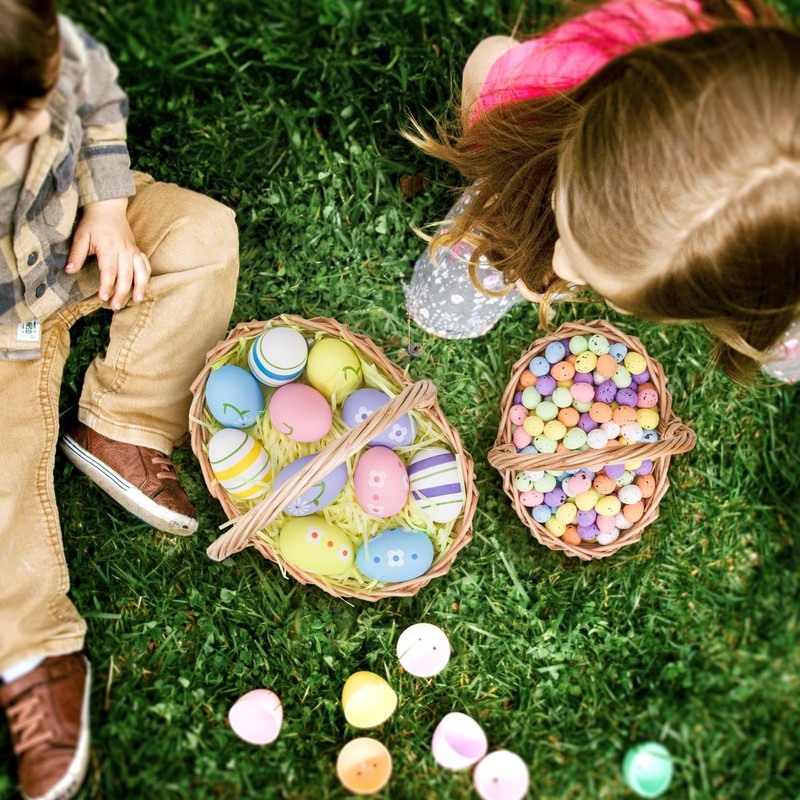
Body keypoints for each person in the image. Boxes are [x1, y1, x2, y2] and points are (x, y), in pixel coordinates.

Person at [0, 1, 239, 797]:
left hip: (75, 242)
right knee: (2, 484)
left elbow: (96, 96)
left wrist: (107, 205)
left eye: (38, 110)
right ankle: (31, 650)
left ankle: (123, 420)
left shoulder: (43, 47)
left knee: (203, 241)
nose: (34, 132)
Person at [404, 0, 800, 384]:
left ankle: (778, 322)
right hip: (537, 154)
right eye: (566, 214)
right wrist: (504, 176)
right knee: (450, 296)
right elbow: (489, 56)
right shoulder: (545, 85)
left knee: (780, 316)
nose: (561, 267)